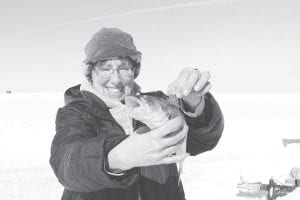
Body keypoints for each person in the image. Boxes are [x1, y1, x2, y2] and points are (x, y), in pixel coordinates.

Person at [49, 27, 224, 200]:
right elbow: (66, 163)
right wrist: (117, 158)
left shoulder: (159, 102)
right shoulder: (75, 112)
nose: (116, 79)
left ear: (134, 70)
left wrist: (193, 102)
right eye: (105, 68)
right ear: (90, 72)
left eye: (124, 67)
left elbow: (202, 140)